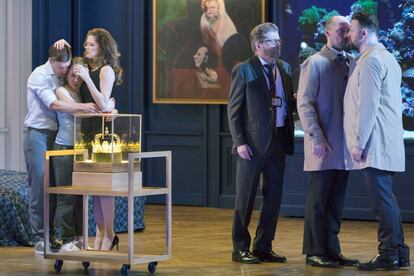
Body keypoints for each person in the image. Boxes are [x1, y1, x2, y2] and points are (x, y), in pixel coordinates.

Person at [344, 12, 410, 271]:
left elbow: (368, 106)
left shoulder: (371, 61)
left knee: (382, 203)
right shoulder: (388, 58)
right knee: (387, 200)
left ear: (363, 33)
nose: (347, 34)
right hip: (386, 141)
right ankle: (400, 253)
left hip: (376, 143)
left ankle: (389, 254)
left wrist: (358, 143)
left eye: (351, 29)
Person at [227, 22, 295, 264]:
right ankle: (240, 248)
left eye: (278, 40)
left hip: (278, 141)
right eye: (272, 41)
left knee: (273, 197)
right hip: (252, 145)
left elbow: (288, 104)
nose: (278, 44)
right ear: (258, 46)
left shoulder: (285, 68)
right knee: (245, 198)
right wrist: (240, 142)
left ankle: (264, 246)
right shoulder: (245, 70)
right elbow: (234, 111)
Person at [24, 44, 99, 255]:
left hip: (57, 135)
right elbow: (54, 105)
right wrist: (84, 108)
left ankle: (58, 237)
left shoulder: (63, 73)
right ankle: (40, 238)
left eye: (67, 67)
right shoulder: (38, 75)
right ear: (51, 61)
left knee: (57, 187)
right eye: (61, 68)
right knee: (39, 184)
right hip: (37, 134)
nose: (65, 72)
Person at [297, 16, 359, 268]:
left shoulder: (351, 63)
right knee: (319, 201)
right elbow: (304, 104)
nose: (345, 35)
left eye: (348, 31)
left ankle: (332, 250)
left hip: (344, 147)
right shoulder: (315, 63)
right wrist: (317, 139)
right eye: (341, 30)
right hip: (322, 146)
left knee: (335, 201)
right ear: (326, 32)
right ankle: (314, 251)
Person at [56, 28, 123, 251]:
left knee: (105, 189)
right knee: (94, 189)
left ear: (102, 47)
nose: (86, 48)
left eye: (91, 45)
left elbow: (103, 104)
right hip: (86, 136)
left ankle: (110, 234)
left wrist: (87, 79)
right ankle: (101, 232)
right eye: (86, 45)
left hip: (103, 136)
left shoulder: (105, 70)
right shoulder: (87, 68)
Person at [52, 57, 87, 252]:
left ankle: (79, 238)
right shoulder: (61, 91)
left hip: (80, 150)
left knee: (80, 197)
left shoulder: (80, 92)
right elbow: (76, 113)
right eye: (72, 74)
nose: (75, 79)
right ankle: (64, 239)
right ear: (67, 73)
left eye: (79, 75)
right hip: (64, 148)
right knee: (66, 196)